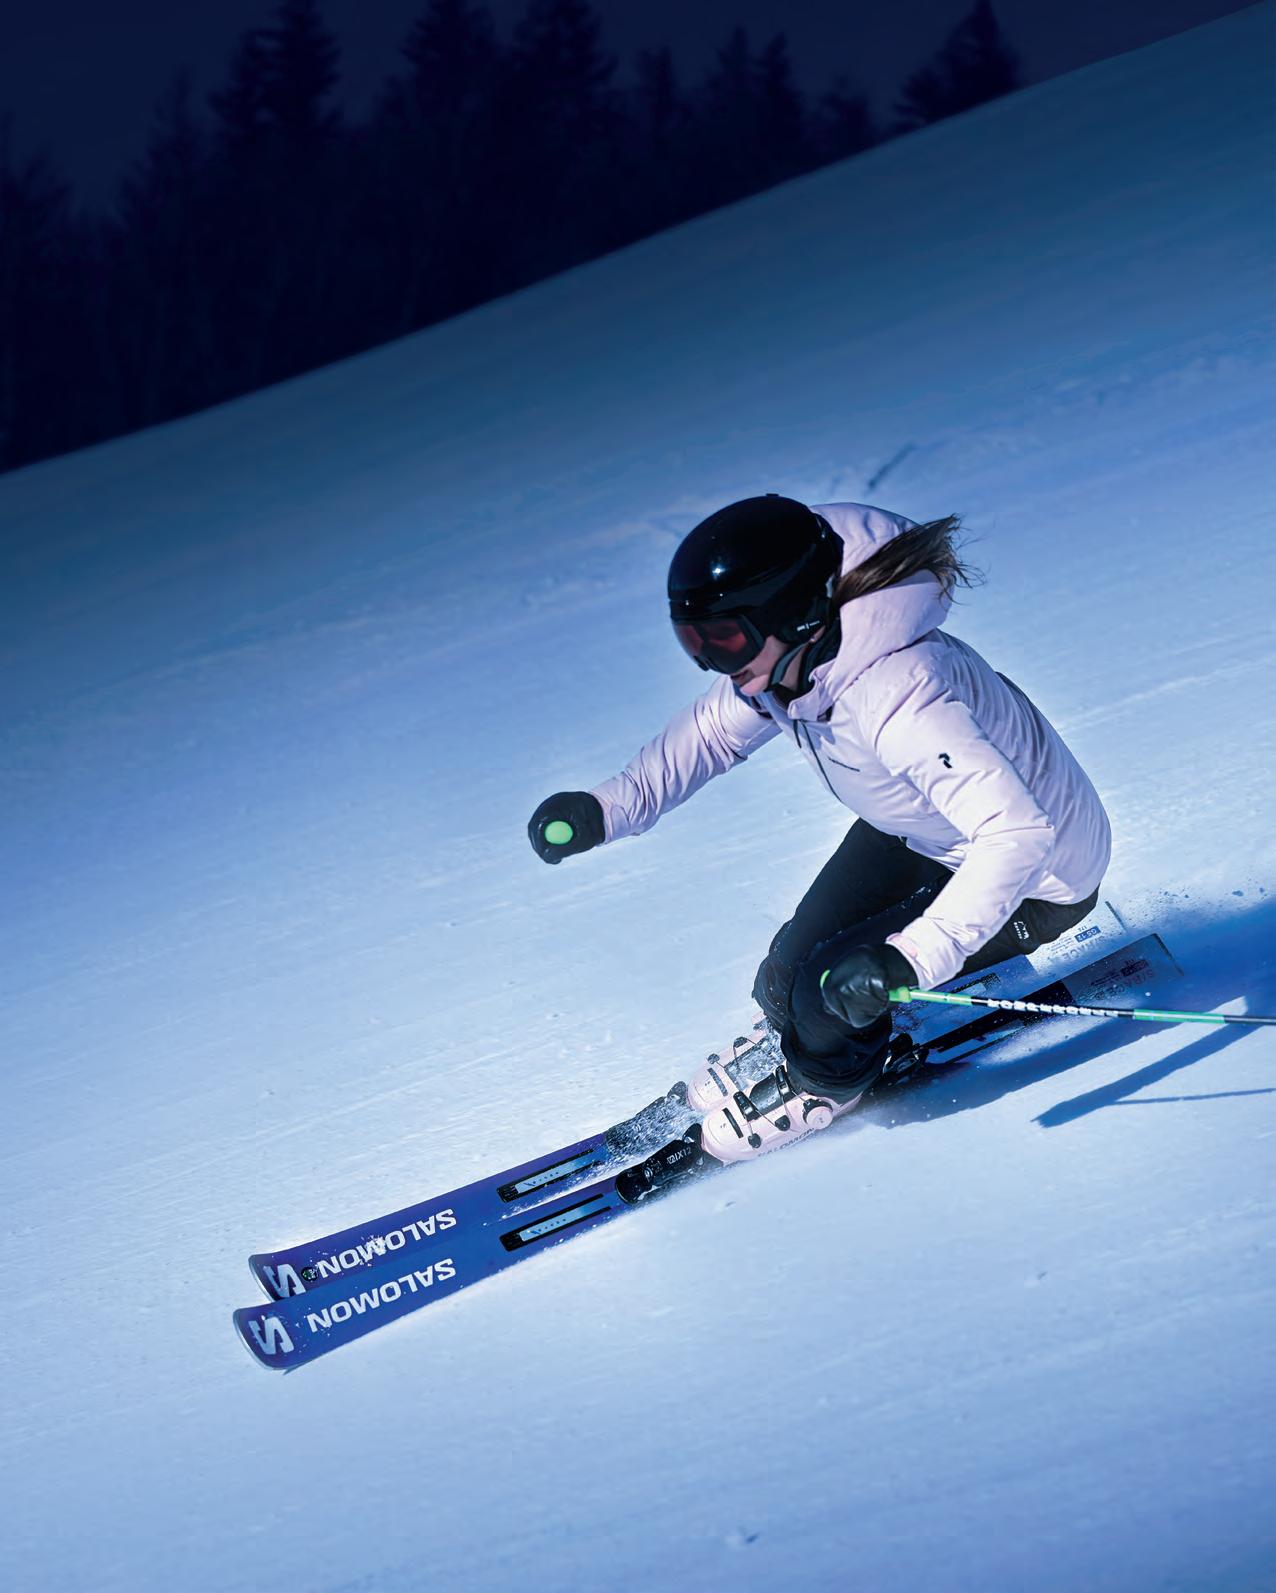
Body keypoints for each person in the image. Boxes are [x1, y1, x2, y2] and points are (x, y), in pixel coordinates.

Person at [528, 495, 1112, 1162]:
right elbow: (710, 734)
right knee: (786, 968)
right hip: (922, 826)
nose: (714, 662)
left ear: (791, 612)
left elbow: (1016, 833)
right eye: (695, 642)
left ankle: (826, 1083)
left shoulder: (900, 694)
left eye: (725, 639)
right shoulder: (793, 663)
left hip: (1039, 876)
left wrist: (910, 957)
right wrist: (608, 808)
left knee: (826, 992)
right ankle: (801, 1035)